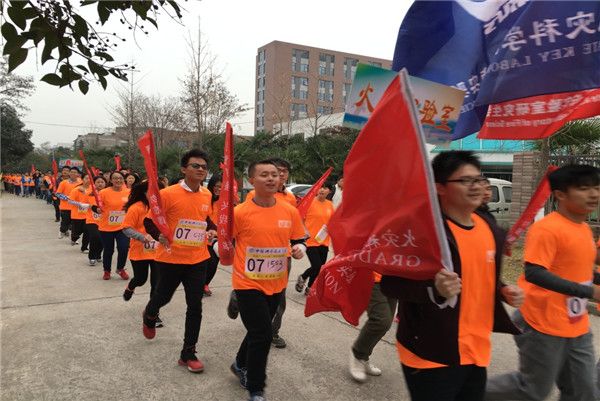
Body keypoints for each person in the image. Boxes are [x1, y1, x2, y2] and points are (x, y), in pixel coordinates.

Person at [380, 150, 523, 401]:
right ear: (440, 187)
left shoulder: (488, 227)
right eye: (465, 180)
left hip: (476, 349)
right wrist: (434, 289)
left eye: (479, 179)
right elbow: (392, 284)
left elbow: (479, 272)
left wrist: (502, 290)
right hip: (431, 353)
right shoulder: (423, 232)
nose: (476, 186)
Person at [485, 164, 600, 401]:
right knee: (531, 389)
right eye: (583, 188)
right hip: (541, 323)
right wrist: (589, 292)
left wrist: (593, 282)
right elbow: (535, 273)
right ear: (560, 194)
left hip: (575, 325)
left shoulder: (584, 229)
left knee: (584, 391)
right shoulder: (547, 229)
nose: (593, 194)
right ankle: (465, 392)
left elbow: (578, 268)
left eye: (596, 188)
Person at [227, 160, 306, 401]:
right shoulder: (239, 212)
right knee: (263, 334)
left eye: (275, 174)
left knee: (257, 330)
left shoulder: (289, 211)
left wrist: (300, 248)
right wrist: (217, 243)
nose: (271, 178)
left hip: (276, 282)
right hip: (247, 283)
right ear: (251, 180)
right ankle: (256, 387)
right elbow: (225, 241)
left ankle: (239, 364)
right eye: (264, 175)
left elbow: (299, 238)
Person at [141, 149, 215, 373]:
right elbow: (149, 221)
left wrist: (212, 229)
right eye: (195, 165)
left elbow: (206, 218)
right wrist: (158, 235)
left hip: (198, 258)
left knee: (195, 306)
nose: (200, 169)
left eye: (204, 167)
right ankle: (150, 313)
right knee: (163, 297)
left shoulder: (206, 195)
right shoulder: (167, 194)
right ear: (184, 169)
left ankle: (188, 352)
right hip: (170, 258)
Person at [232, 158, 296, 349]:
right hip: (253, 262)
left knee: (279, 298)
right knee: (258, 322)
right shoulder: (255, 195)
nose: (279, 175)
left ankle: (273, 331)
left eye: (282, 172)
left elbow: (295, 227)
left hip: (282, 257)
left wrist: (300, 246)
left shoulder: (290, 199)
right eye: (276, 171)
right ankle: (238, 297)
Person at [122, 181, 164, 326]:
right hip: (139, 251)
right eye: (151, 192)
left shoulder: (161, 208)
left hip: (158, 251)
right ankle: (131, 286)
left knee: (157, 284)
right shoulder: (136, 208)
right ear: (144, 192)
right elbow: (126, 228)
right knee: (141, 279)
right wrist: (142, 237)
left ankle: (152, 313)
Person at [295, 185, 334, 295]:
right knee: (316, 265)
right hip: (310, 240)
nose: (322, 190)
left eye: (325, 188)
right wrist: (304, 230)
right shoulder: (309, 203)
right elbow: (300, 219)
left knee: (320, 268)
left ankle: (309, 288)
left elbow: (333, 221)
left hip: (324, 241)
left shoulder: (330, 205)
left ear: (329, 191)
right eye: (321, 187)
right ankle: (303, 276)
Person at [95, 171, 131, 280]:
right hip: (106, 227)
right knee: (108, 250)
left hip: (123, 226)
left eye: (120, 178)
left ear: (123, 180)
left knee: (123, 248)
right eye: (115, 178)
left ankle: (120, 268)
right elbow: (96, 206)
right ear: (111, 180)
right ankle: (107, 270)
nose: (118, 180)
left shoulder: (129, 192)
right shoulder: (104, 192)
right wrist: (97, 209)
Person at [205, 174, 222, 296]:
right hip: (203, 235)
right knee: (205, 262)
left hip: (217, 237)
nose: (218, 189)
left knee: (213, 263)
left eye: (221, 187)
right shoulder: (205, 198)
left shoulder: (225, 202)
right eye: (216, 186)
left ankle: (205, 284)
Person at [85, 176, 106, 266]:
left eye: (102, 182)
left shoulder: (108, 193)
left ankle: (98, 254)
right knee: (95, 237)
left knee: (102, 239)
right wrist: (93, 207)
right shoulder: (89, 194)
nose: (100, 184)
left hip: (104, 221)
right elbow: (85, 204)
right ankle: (92, 257)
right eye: (98, 182)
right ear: (94, 184)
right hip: (92, 220)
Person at [56, 167, 82, 239]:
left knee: (75, 224)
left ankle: (74, 239)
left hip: (77, 207)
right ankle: (62, 231)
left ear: (78, 174)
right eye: (72, 172)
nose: (73, 173)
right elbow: (58, 194)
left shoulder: (81, 182)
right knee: (65, 222)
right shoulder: (63, 182)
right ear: (69, 173)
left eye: (75, 172)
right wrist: (67, 198)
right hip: (66, 207)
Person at [68, 173, 91, 249]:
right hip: (77, 215)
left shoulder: (93, 189)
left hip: (89, 215)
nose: (88, 180)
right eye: (86, 178)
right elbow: (70, 201)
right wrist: (80, 204)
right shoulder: (76, 189)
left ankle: (84, 247)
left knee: (87, 231)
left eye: (90, 178)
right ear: (82, 179)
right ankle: (74, 238)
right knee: (76, 232)